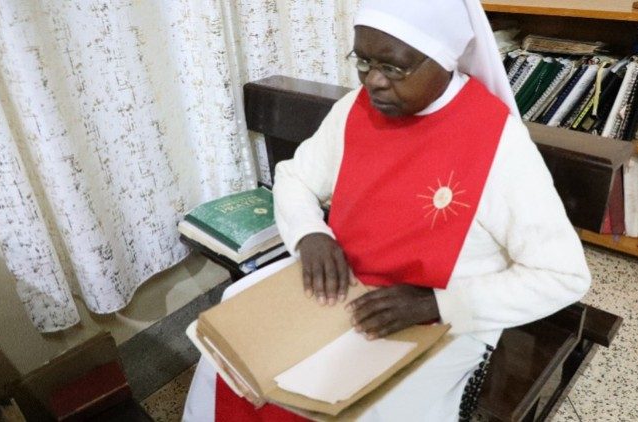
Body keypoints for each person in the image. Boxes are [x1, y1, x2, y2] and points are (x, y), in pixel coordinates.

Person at [184, 0, 591, 420]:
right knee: (230, 357)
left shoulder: (498, 143)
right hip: (347, 285)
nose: (374, 81)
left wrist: (437, 304)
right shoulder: (355, 109)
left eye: (394, 68)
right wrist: (310, 233)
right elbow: (295, 177)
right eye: (363, 61)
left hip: (445, 314)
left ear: (444, 59)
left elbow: (564, 276)